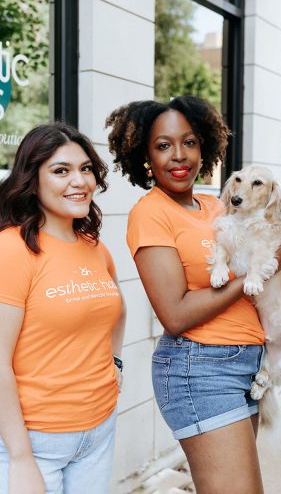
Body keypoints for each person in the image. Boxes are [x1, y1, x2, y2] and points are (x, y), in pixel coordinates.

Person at [105, 95, 281, 494]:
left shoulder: (216, 206)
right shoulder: (150, 213)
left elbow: (272, 258)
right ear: (145, 155)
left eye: (189, 142)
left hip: (248, 363)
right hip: (200, 368)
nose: (179, 155)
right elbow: (176, 313)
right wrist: (260, 268)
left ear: (205, 146)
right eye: (163, 145)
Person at [0, 124, 126, 494]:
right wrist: (21, 459)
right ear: (31, 180)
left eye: (85, 168)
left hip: (98, 431)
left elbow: (117, 312)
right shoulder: (12, 249)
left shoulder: (92, 245)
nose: (80, 181)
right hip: (36, 442)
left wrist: (115, 363)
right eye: (61, 170)